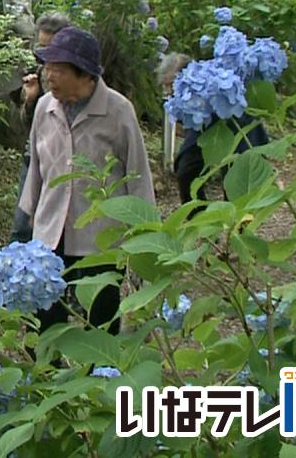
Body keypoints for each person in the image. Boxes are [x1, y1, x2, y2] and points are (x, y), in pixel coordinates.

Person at [17, 27, 155, 334]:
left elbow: (138, 172)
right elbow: (37, 166)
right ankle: (46, 376)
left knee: (101, 316)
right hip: (50, 233)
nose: (48, 76)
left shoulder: (118, 112)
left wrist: (144, 233)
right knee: (44, 315)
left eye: (58, 70)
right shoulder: (44, 107)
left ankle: (100, 375)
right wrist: (28, 215)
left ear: (86, 75)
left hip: (99, 238)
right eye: (47, 68)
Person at [157, 53, 269, 204]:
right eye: (166, 86)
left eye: (171, 83)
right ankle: (199, 219)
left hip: (237, 123)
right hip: (206, 128)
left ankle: (239, 224)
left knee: (237, 179)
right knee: (185, 169)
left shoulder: (211, 79)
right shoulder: (181, 95)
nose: (170, 90)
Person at [10, 12, 72, 242]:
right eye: (41, 48)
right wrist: (31, 99)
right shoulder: (38, 72)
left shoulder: (78, 77)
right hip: (35, 156)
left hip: (66, 162)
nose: (46, 57)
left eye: (51, 48)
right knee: (22, 227)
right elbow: (29, 125)